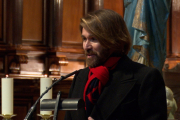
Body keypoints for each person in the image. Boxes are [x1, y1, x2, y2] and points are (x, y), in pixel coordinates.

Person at [64, 9, 167, 120]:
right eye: (84, 39)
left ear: (114, 40)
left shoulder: (145, 77)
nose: (86, 46)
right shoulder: (81, 77)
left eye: (93, 39)